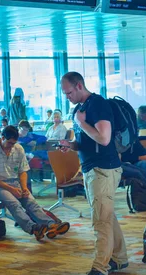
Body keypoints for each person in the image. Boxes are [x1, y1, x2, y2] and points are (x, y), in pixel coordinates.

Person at [59, 72, 127, 275]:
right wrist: (71, 145)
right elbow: (88, 141)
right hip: (91, 168)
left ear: (79, 85)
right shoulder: (79, 110)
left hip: (103, 169)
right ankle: (119, 258)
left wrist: (81, 123)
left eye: (68, 92)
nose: (67, 97)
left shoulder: (97, 104)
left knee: (101, 220)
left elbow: (104, 139)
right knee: (106, 216)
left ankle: (100, 267)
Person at [0, 125, 69, 241]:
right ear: (2, 138)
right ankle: (33, 228)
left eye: (13, 143)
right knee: (14, 203)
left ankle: (51, 224)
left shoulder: (18, 149)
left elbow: (23, 171)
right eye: (9, 143)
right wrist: (12, 189)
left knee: (31, 201)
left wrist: (24, 188)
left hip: (15, 183)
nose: (11, 146)